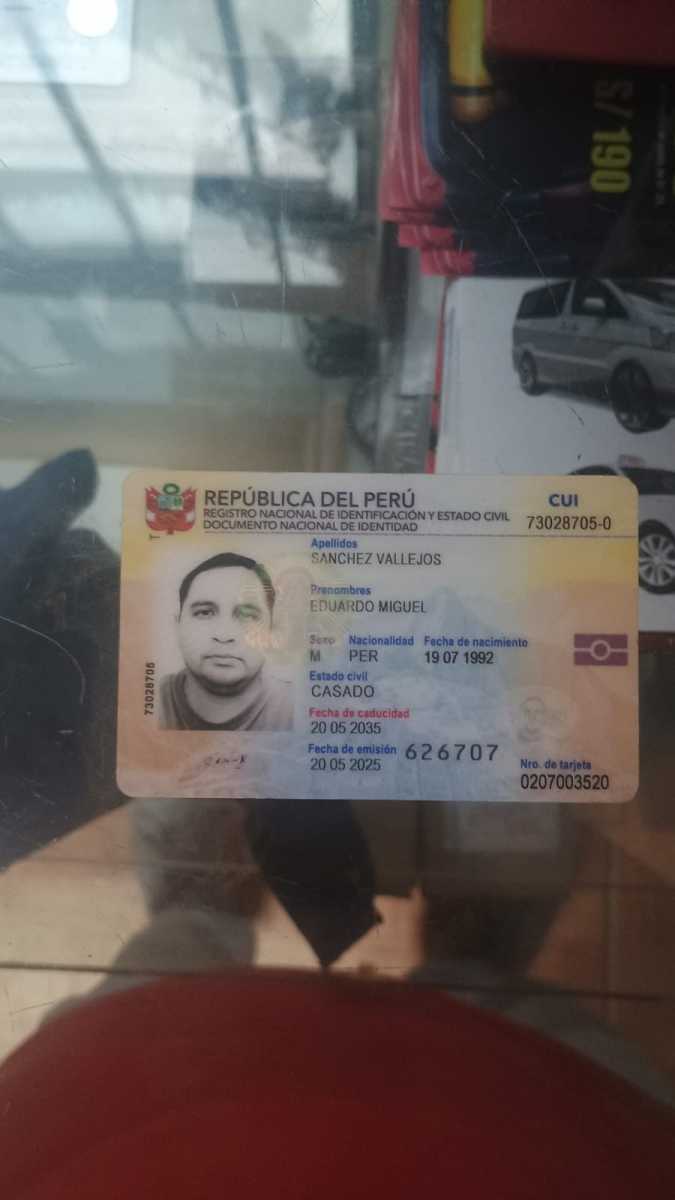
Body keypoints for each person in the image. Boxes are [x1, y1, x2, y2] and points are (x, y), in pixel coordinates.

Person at [159, 552, 293, 732]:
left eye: (247, 615)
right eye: (205, 613)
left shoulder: (298, 707)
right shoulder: (149, 700)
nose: (224, 635)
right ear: (178, 626)